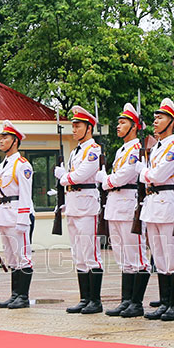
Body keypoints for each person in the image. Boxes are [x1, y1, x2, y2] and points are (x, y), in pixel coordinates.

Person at [99, 103, 149, 318]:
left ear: (134, 126)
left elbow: (123, 176)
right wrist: (109, 182)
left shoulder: (137, 149)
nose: (118, 126)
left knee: (136, 254)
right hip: (115, 205)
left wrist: (106, 180)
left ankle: (136, 303)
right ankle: (126, 300)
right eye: (118, 122)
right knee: (123, 256)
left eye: (123, 123)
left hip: (129, 205)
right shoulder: (122, 149)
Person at [56, 106, 104, 314]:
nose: (73, 130)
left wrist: (63, 176)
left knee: (90, 252)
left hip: (87, 205)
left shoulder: (93, 149)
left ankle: (96, 300)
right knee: (78, 254)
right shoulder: (76, 151)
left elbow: (81, 175)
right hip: (74, 204)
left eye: (78, 126)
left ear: (89, 128)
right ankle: (85, 298)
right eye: (73, 126)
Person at [141, 98, 174, 321]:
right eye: (155, 118)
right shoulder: (157, 147)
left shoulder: (173, 147)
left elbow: (155, 175)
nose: (155, 121)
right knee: (158, 255)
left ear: (172, 122)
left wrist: (146, 174)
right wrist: (148, 174)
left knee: (171, 255)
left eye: (161, 118)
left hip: (167, 202)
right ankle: (165, 302)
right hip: (152, 204)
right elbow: (150, 175)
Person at [0, 120, 35, 309]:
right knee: (11, 257)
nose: (1, 141)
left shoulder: (22, 164)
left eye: (6, 138)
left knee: (23, 256)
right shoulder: (3, 164)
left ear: (15, 141)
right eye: (1, 137)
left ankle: (23, 297)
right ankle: (14, 294)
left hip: (18, 213)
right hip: (4, 214)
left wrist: (23, 219)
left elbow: (26, 194)